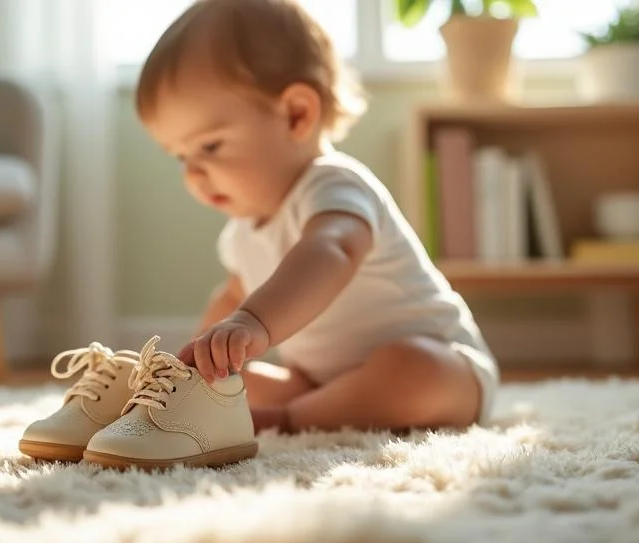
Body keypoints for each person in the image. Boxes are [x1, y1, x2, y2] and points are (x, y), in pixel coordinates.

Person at [134, 0, 499, 435]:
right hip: (319, 382)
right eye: (180, 156)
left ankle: (292, 421)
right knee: (232, 381)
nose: (192, 173)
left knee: (412, 369)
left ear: (297, 115)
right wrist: (189, 371)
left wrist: (252, 324)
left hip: (445, 370)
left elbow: (331, 251)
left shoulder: (335, 186)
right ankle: (318, 408)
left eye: (209, 147)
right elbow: (231, 298)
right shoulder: (242, 233)